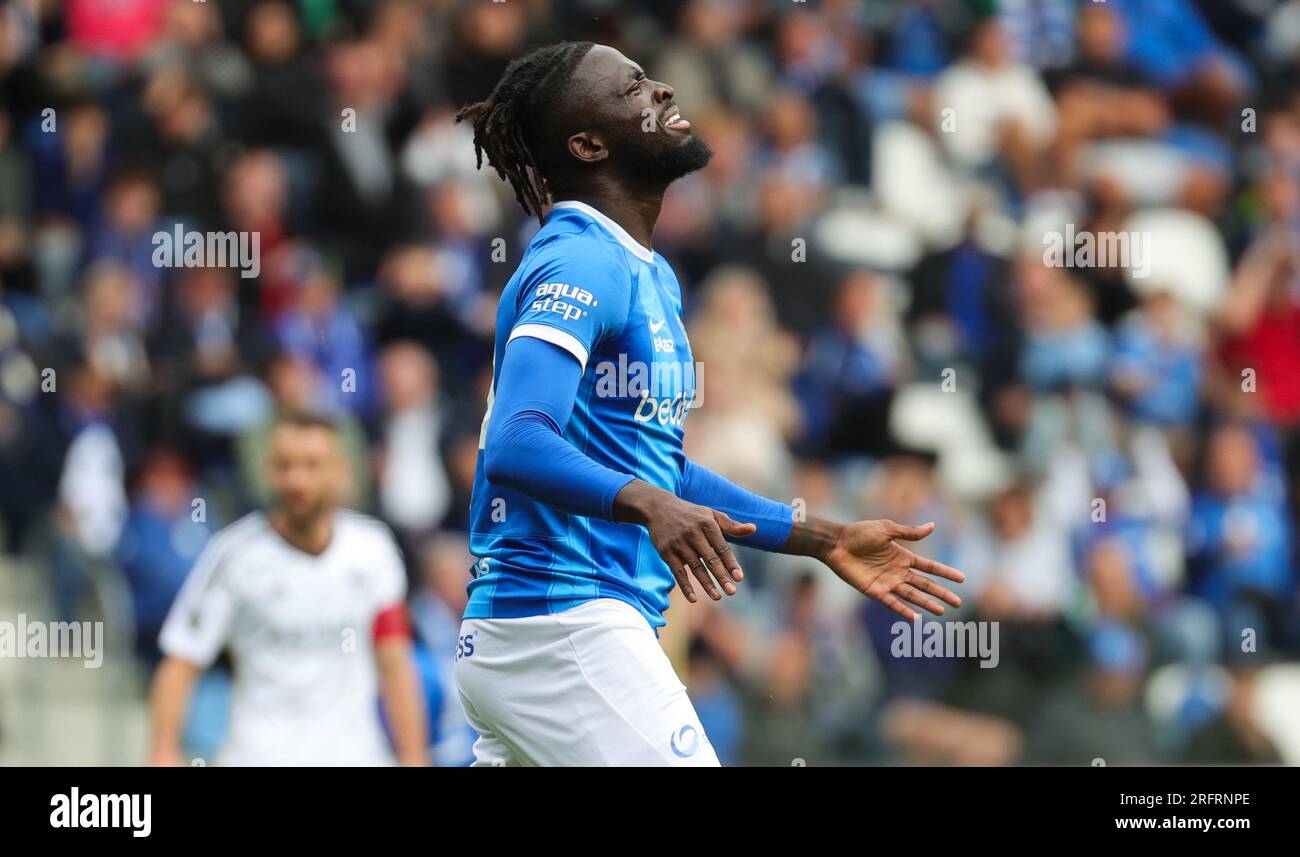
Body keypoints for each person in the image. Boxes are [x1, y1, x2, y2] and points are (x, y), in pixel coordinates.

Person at [453, 41, 965, 767]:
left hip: (545, 633)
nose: (661, 88)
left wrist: (822, 538)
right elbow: (516, 440)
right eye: (632, 88)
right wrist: (649, 504)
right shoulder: (581, 261)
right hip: (563, 622)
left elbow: (657, 468)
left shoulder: (648, 273)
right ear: (588, 143)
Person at [148, 413, 428, 766]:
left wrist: (415, 757)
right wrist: (163, 752)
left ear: (339, 471)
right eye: (285, 465)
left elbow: (394, 664)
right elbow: (180, 662)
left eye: (311, 465)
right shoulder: (234, 554)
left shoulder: (373, 550)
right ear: (268, 471)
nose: (297, 479)